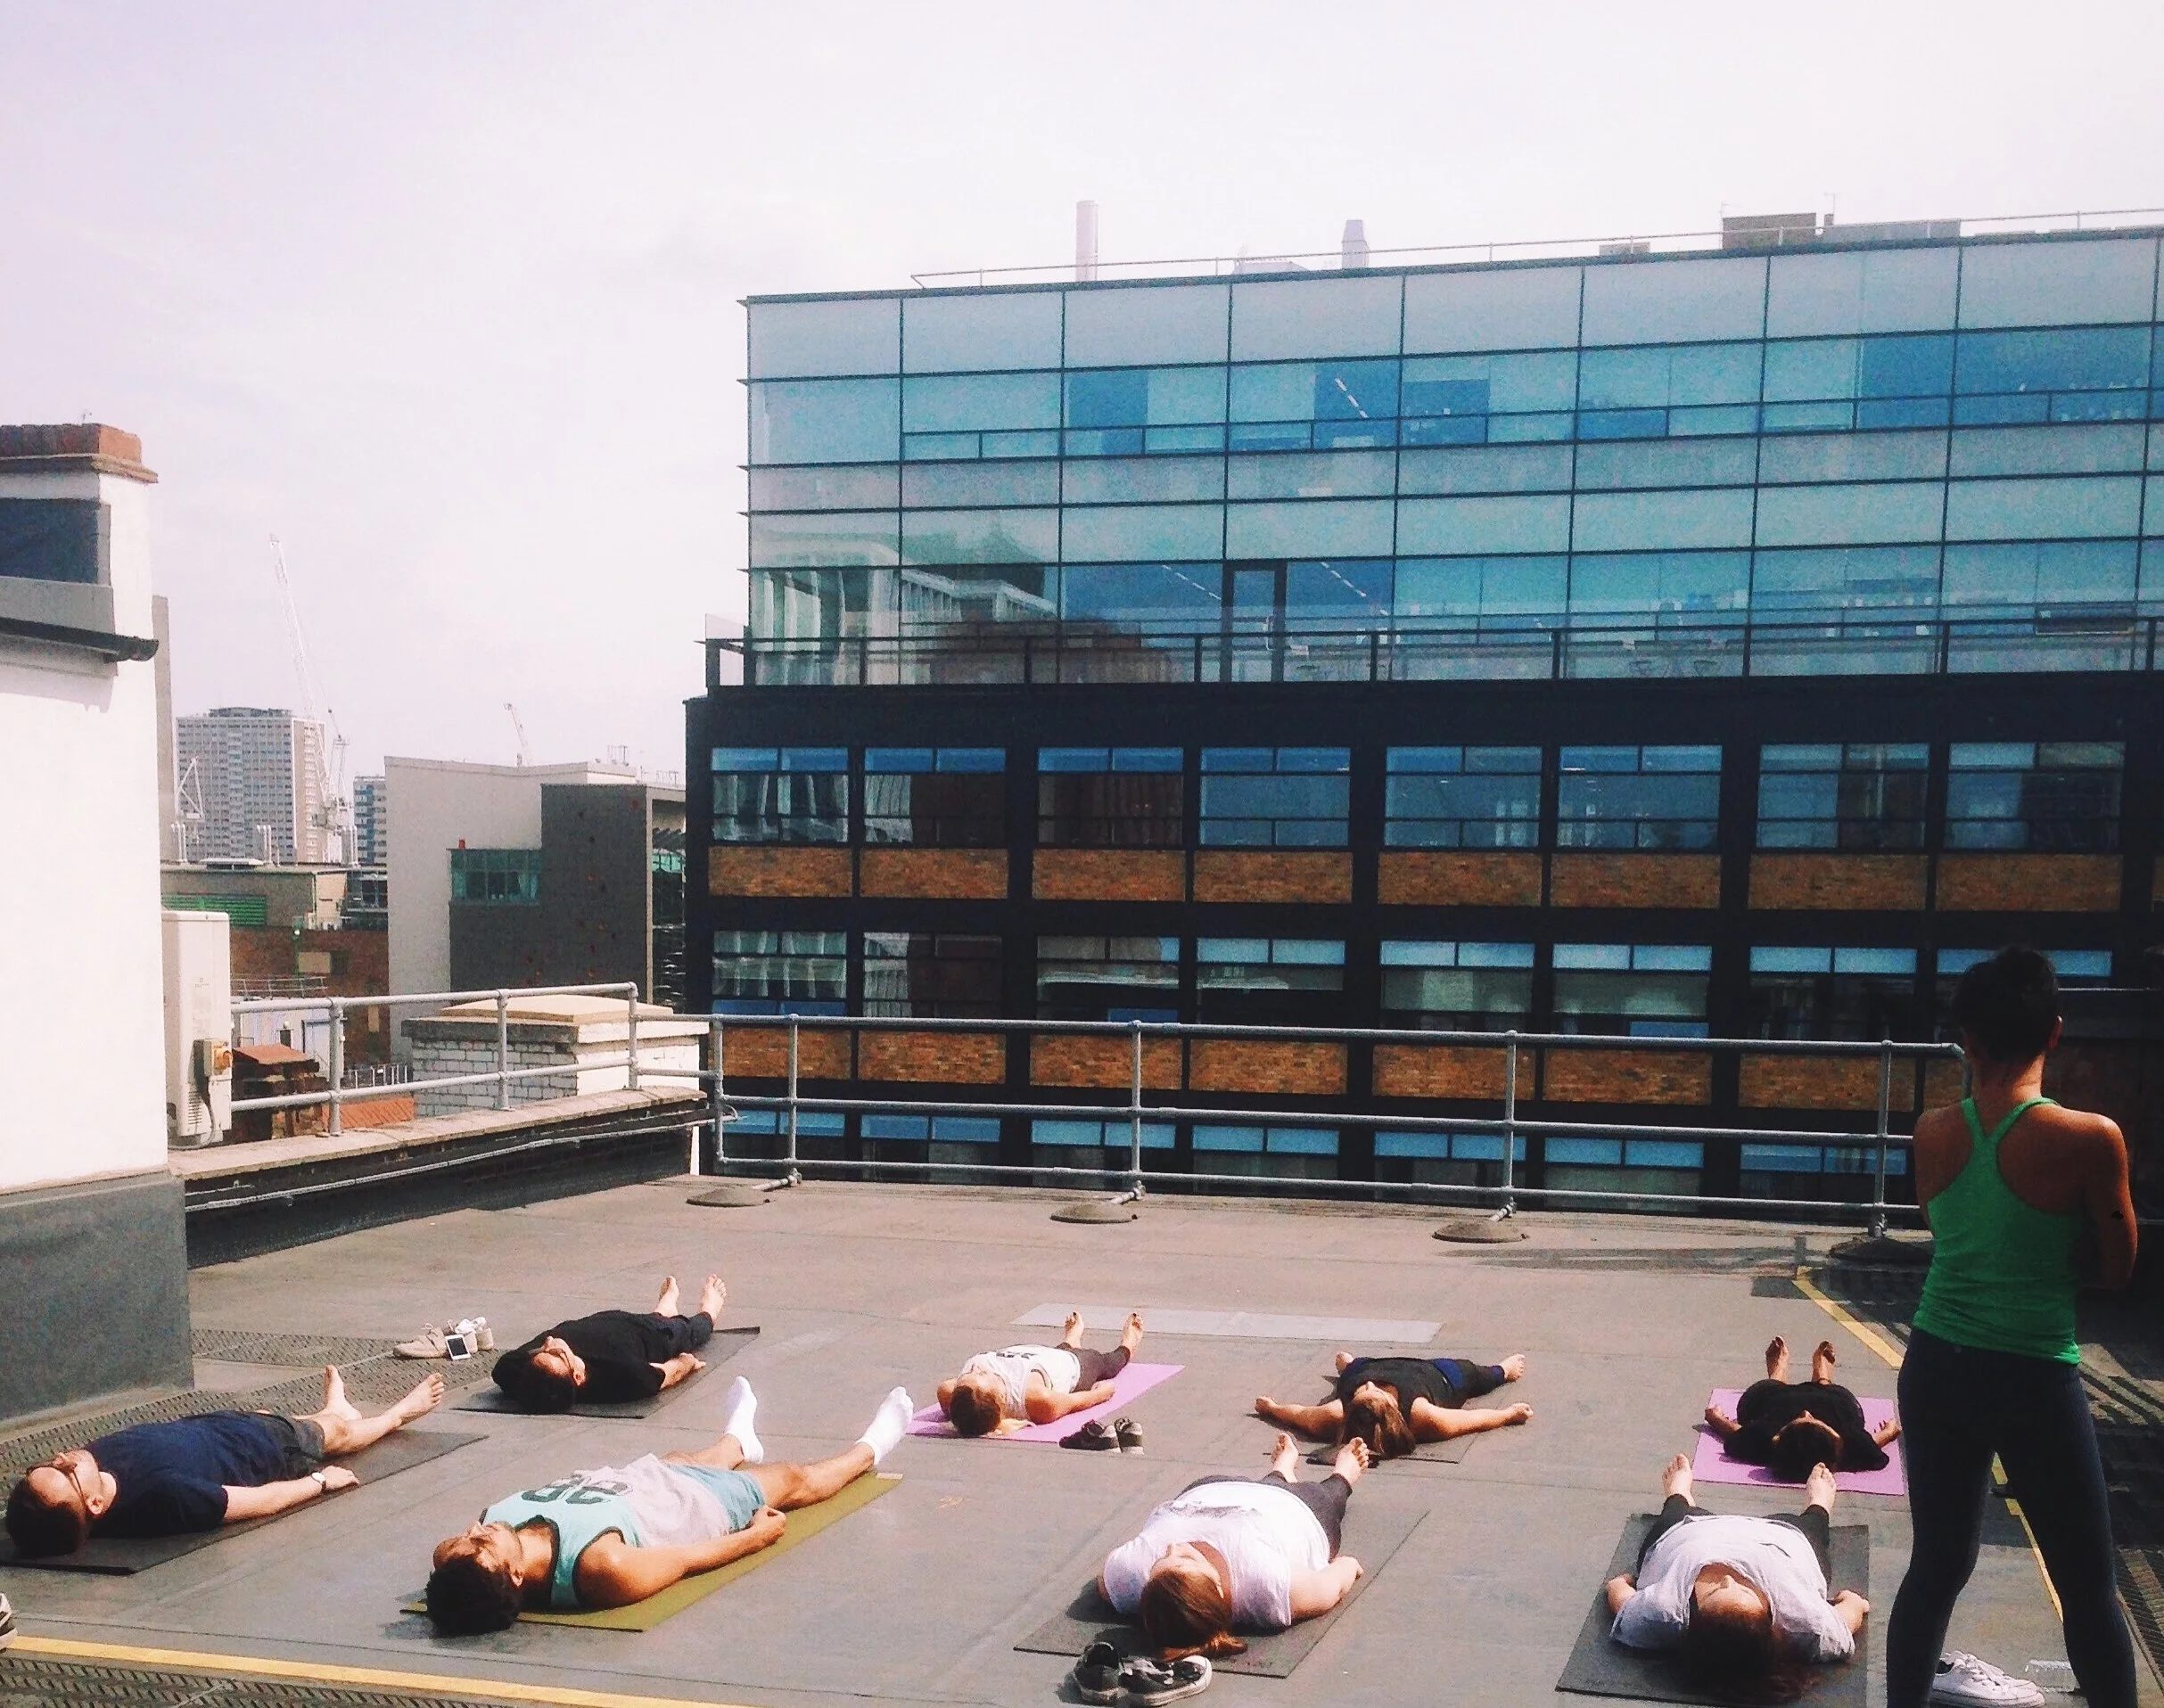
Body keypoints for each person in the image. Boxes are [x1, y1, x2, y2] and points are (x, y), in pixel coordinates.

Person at [1885, 947, 2139, 1708]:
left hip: (1933, 1363)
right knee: (2086, 1585)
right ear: (2053, 1034)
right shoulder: (2090, 1138)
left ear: (1966, 1038)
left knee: (1935, 1564)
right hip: (2029, 1372)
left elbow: (1946, 1228)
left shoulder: (1931, 1130)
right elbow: (2117, 1269)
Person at [424, 1378, 913, 1632]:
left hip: (634, 1481)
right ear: (514, 1577)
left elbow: (452, 1561)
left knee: (691, 1456)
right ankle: (873, 1446)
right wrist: (753, 1538)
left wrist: (466, 1556)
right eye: (481, 1545)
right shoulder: (601, 1567)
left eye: (469, 1537)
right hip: (692, 1504)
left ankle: (739, 1439)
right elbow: (683, 1560)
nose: (476, 1531)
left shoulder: (483, 1543)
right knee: (792, 1478)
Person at [4, 1367, 446, 1557]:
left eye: (50, 1461)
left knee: (319, 1421)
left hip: (226, 1427)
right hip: (269, 1451)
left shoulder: (94, 1467)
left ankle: (337, 1408)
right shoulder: (165, 1498)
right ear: (95, 1506)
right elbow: (255, 1501)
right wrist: (319, 1481)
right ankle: (396, 1414)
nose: (64, 1457)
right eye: (64, 1471)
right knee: (337, 1436)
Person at [1606, 1451, 1866, 1704]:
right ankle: (1818, 1503)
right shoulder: (1803, 1621)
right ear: (1771, 1621)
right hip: (1781, 1537)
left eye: (1713, 1591)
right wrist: (1854, 1602)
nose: (1730, 1579)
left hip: (1690, 1530)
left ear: (1692, 1619)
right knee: (1813, 1527)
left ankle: (1679, 1495)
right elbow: (1846, 1621)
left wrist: (1621, 1583)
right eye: (1743, 1590)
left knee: (1673, 1514)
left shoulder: (1661, 1613)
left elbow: (1621, 1599)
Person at [1098, 1431, 1370, 1659]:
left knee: (1269, 1482)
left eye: (1160, 1564)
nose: (1173, 1548)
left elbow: (1104, 1583)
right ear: (1216, 1587)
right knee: (1330, 1495)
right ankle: (1342, 1473)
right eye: (1186, 1560)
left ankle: (1281, 1470)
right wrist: (1348, 1566)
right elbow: (1330, 1586)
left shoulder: (1129, 1576)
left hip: (1207, 1492)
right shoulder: (1268, 1587)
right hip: (1295, 1507)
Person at [489, 1273, 726, 1412]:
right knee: (688, 1330)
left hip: (604, 1320)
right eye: (555, 1354)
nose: (549, 1342)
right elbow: (667, 1373)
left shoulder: (516, 1371)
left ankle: (665, 1306)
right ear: (578, 1377)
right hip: (650, 1335)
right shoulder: (625, 1375)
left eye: (540, 1350)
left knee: (658, 1316)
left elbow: (505, 1368)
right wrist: (687, 1361)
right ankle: (709, 1307)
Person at [1253, 1349, 1532, 1459]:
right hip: (1434, 1374)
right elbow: (1474, 1420)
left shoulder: (1334, 1413)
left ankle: (1350, 1365)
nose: (1370, 1386)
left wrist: (1272, 1408)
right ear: (1394, 1411)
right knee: (1473, 1373)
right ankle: (1503, 1370)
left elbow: (1299, 1414)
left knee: (1354, 1370)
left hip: (1372, 1365)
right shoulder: (1424, 1416)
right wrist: (1508, 1414)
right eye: (1371, 1392)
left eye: (1364, 1392)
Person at [1703, 1336, 1899, 1481]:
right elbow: (1875, 1442)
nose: (1806, 1412)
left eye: (1800, 1420)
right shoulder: (1850, 1442)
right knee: (1836, 1399)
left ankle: (1778, 1372)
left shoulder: (1762, 1438)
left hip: (1777, 1401)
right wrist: (1890, 1431)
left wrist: (1714, 1417)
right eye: (1812, 1420)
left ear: (1777, 1438)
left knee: (1766, 1392)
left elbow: (1734, 1431)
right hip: (1830, 1402)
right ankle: (1822, 1376)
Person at [936, 1311, 1144, 1437]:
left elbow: (959, 1398)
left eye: (969, 1374)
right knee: (1107, 1363)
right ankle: (1128, 1344)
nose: (976, 1368)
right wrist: (1100, 1394)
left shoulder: (951, 1393)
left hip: (1036, 1356)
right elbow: (1073, 1401)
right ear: (999, 1397)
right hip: (1073, 1366)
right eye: (980, 1375)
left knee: (1061, 1350)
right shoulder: (1037, 1400)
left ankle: (1071, 1339)